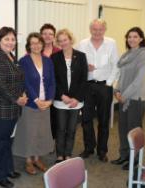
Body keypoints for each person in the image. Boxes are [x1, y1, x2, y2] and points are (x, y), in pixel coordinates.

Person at [0, 27, 28, 188]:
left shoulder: (11, 56)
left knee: (7, 140)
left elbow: (18, 79)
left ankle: (7, 168)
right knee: (0, 142)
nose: (10, 42)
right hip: (2, 108)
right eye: (7, 39)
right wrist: (17, 99)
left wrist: (23, 95)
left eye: (12, 39)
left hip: (14, 107)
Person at [111, 27, 145, 170]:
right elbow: (121, 76)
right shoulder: (126, 55)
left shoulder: (144, 55)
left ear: (141, 39)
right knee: (123, 128)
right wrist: (116, 90)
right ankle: (124, 155)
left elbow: (138, 80)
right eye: (129, 37)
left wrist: (124, 95)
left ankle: (135, 159)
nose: (132, 39)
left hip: (135, 99)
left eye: (135, 37)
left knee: (134, 130)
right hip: (123, 96)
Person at [13, 32, 55, 175]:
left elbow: (52, 82)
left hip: (45, 104)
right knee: (29, 133)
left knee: (41, 133)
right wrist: (36, 100)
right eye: (33, 43)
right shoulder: (23, 61)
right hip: (31, 104)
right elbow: (25, 83)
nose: (36, 45)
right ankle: (28, 161)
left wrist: (49, 100)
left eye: (38, 42)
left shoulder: (48, 60)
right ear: (28, 46)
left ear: (42, 44)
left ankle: (37, 158)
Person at [77, 19, 119, 162]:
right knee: (86, 119)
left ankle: (102, 151)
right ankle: (89, 148)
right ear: (90, 30)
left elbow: (116, 65)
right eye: (94, 29)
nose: (97, 32)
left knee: (103, 119)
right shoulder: (83, 44)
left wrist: (108, 84)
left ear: (104, 30)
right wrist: (85, 67)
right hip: (87, 86)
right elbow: (77, 64)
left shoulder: (111, 43)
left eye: (100, 29)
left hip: (104, 86)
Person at [51, 29, 88, 163]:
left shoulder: (81, 56)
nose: (63, 43)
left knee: (71, 129)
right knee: (60, 129)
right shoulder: (54, 57)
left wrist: (76, 98)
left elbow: (83, 79)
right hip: (61, 100)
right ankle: (60, 154)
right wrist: (62, 96)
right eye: (60, 41)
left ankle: (68, 154)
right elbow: (53, 80)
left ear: (71, 40)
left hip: (76, 101)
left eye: (65, 40)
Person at [40, 23, 60, 141]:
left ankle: (51, 144)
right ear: (40, 35)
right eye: (45, 34)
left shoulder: (59, 52)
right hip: (39, 93)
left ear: (54, 36)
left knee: (54, 120)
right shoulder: (34, 50)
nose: (47, 36)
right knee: (40, 122)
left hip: (55, 92)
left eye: (50, 34)